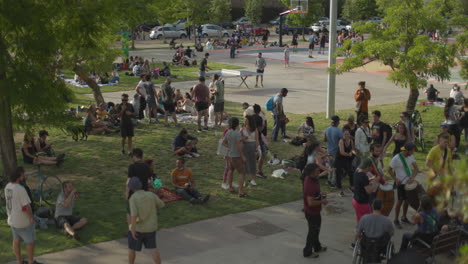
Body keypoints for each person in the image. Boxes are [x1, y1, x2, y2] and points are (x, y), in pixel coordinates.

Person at [5, 167, 43, 264]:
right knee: (30, 242)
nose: (24, 176)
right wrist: (31, 217)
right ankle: (30, 262)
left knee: (16, 240)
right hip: (23, 221)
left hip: (12, 220)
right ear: (19, 176)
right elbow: (25, 207)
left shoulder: (7, 187)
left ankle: (19, 261)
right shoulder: (20, 189)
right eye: (23, 174)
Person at [127, 177, 165, 264]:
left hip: (138, 229)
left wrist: (132, 229)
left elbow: (133, 215)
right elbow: (162, 205)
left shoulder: (133, 198)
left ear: (131, 188)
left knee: (132, 248)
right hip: (151, 227)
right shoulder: (150, 195)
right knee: (153, 248)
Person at [388, 143, 420, 229]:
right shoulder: (396, 158)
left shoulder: (411, 157)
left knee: (407, 201)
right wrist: (395, 179)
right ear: (406, 150)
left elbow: (417, 169)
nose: (413, 152)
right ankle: (396, 219)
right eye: (412, 150)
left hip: (408, 183)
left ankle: (404, 217)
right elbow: (389, 170)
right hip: (400, 183)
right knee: (400, 201)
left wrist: (412, 178)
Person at [302, 163, 328, 258]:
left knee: (316, 231)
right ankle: (307, 252)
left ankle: (317, 247)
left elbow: (314, 195)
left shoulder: (313, 179)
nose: (319, 173)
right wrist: (322, 201)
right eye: (317, 172)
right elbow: (311, 203)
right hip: (311, 213)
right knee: (312, 232)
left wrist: (320, 195)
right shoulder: (310, 184)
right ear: (311, 173)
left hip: (315, 212)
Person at [224, 117, 248, 197]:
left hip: (230, 155)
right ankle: (240, 192)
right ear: (237, 124)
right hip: (236, 156)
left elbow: (224, 143)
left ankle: (230, 187)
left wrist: (230, 147)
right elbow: (238, 146)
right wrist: (242, 156)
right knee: (242, 172)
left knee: (231, 170)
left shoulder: (228, 132)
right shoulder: (237, 133)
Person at [353, 158, 380, 225]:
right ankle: (364, 232)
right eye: (371, 167)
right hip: (362, 202)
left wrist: (371, 179)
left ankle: (358, 231)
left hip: (355, 200)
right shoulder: (363, 176)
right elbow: (369, 191)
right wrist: (376, 181)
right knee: (367, 220)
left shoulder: (357, 172)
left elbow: (362, 183)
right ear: (368, 167)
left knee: (360, 218)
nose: (371, 168)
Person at [324, 115, 343, 187]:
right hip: (335, 152)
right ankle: (333, 182)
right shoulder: (339, 131)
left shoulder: (327, 129)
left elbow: (325, 139)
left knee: (330, 166)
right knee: (335, 167)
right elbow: (341, 141)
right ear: (337, 122)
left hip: (329, 150)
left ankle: (329, 180)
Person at [335, 129, 355, 196]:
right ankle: (340, 189)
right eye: (345, 134)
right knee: (339, 173)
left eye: (348, 134)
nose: (346, 135)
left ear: (350, 135)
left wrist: (354, 153)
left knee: (351, 172)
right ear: (343, 135)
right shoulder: (341, 141)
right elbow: (342, 152)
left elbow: (352, 149)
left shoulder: (351, 141)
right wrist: (349, 154)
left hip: (347, 159)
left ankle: (352, 187)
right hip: (339, 159)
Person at [241, 116, 259, 186]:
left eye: (246, 120)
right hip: (245, 147)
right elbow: (239, 139)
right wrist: (243, 139)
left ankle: (252, 180)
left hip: (252, 147)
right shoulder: (242, 129)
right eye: (245, 120)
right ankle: (244, 180)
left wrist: (256, 149)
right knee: (244, 164)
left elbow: (257, 140)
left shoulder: (255, 129)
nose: (245, 121)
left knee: (252, 163)